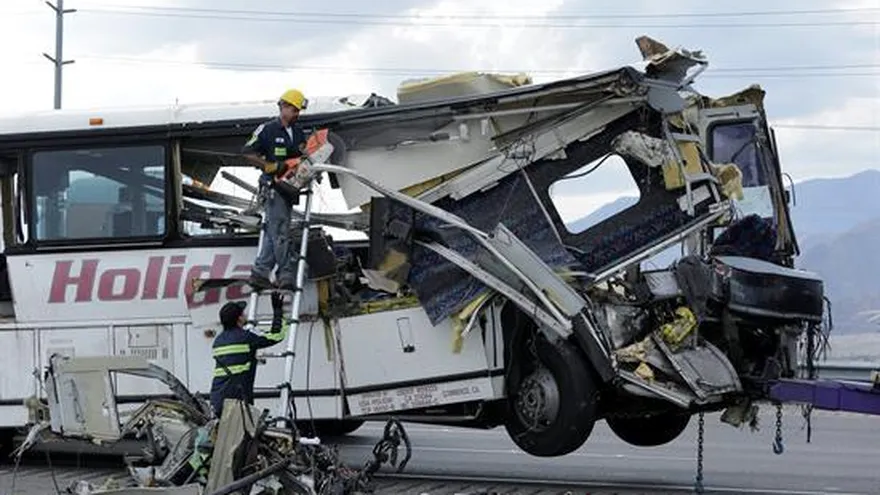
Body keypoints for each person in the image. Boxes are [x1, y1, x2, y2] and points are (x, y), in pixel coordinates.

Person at [242, 88, 310, 291]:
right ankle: (286, 274)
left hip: (289, 187)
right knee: (280, 232)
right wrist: (269, 166)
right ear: (283, 106)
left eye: (298, 111)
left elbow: (301, 153)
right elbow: (247, 152)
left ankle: (260, 272)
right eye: (294, 109)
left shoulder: (297, 131)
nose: (296, 114)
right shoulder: (267, 129)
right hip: (273, 186)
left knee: (276, 231)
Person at [209, 293, 288, 417]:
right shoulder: (246, 337)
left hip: (218, 400)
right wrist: (278, 311)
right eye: (243, 313)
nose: (245, 315)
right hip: (238, 401)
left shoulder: (217, 341)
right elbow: (276, 335)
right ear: (239, 319)